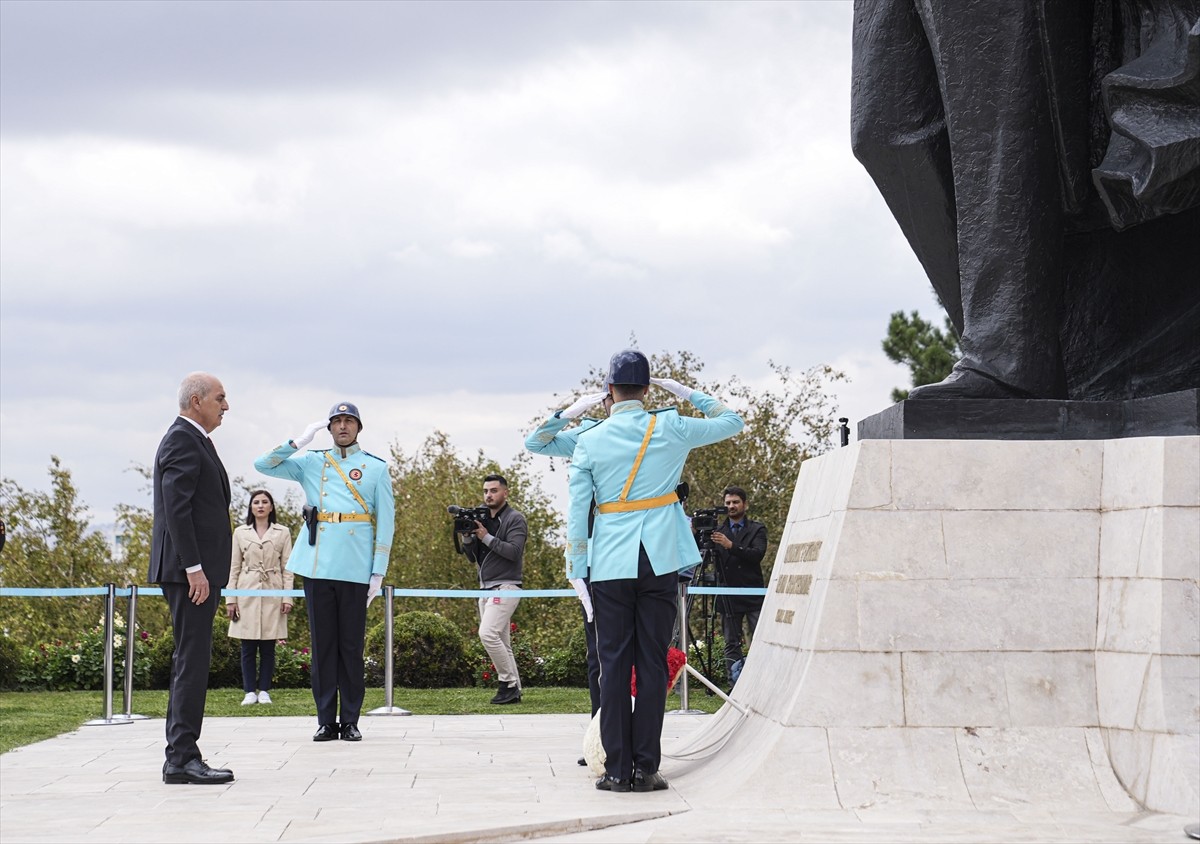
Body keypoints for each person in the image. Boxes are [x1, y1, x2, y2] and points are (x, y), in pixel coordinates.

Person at [566, 349, 743, 793]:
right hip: (659, 557)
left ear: (609, 390)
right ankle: (646, 768)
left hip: (609, 561)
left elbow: (576, 511)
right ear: (647, 390)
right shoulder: (670, 425)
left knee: (612, 665)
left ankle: (615, 771)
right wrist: (685, 391)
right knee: (649, 664)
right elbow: (731, 421)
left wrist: (576, 567)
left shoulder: (590, 438)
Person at [254, 401, 394, 742]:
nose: (343, 427)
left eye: (349, 421)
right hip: (318, 564)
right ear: (329, 428)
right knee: (323, 647)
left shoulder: (375, 468)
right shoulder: (312, 462)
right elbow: (263, 464)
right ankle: (325, 720)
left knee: (350, 647)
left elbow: (386, 523)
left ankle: (350, 720)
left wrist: (378, 571)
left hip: (355, 564)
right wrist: (298, 441)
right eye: (337, 421)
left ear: (359, 428)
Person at [149, 372, 234, 785]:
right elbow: (176, 508)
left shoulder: (196, 439)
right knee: (192, 661)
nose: (226, 406)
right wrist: (194, 568)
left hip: (196, 571)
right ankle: (182, 757)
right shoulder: (182, 438)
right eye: (220, 398)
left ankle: (180, 755)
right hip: (189, 575)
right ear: (197, 400)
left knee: (192, 660)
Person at [525, 384, 613, 753]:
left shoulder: (649, 432)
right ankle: (601, 738)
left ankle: (629, 735)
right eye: (610, 395)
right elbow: (536, 443)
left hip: (634, 548)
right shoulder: (586, 433)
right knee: (598, 654)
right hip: (595, 554)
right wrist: (571, 413)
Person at [456, 474, 528, 704]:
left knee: (486, 633)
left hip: (506, 586)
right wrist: (469, 538)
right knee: (503, 643)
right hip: (485, 588)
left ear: (505, 493)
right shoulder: (481, 517)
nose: (489, 495)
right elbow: (471, 557)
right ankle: (515, 689)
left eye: (494, 490)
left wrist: (485, 537)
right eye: (486, 491)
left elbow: (513, 552)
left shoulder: (516, 519)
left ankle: (506, 683)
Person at [226, 489, 294, 706]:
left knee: (268, 645)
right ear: (251, 507)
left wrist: (287, 597)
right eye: (256, 502)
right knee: (247, 645)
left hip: (273, 590)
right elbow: (233, 567)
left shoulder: (282, 532)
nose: (261, 505)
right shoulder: (240, 532)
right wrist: (231, 598)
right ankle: (249, 691)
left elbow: (288, 568)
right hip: (247, 590)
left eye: (265, 502)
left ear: (271, 507)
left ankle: (264, 690)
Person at [709, 486, 767, 688]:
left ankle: (760, 681)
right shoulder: (717, 531)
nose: (731, 506)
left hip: (752, 594)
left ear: (745, 504)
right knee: (731, 642)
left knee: (759, 639)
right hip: (727, 595)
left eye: (735, 502)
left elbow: (757, 554)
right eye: (727, 503)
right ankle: (734, 682)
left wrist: (731, 546)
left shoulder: (757, 529)